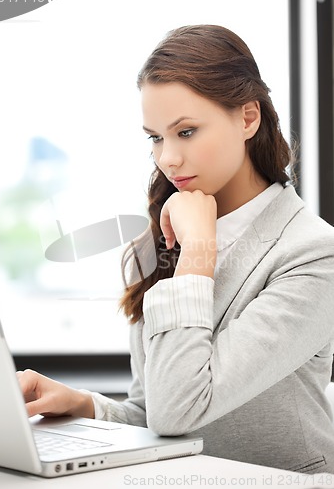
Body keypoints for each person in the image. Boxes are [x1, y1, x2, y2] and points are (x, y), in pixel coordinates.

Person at [17, 24, 334, 474]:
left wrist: (199, 252)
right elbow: (157, 414)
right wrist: (86, 405)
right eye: (155, 137)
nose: (167, 158)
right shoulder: (154, 248)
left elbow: (180, 409)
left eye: (185, 132)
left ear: (248, 118)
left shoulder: (315, 255)